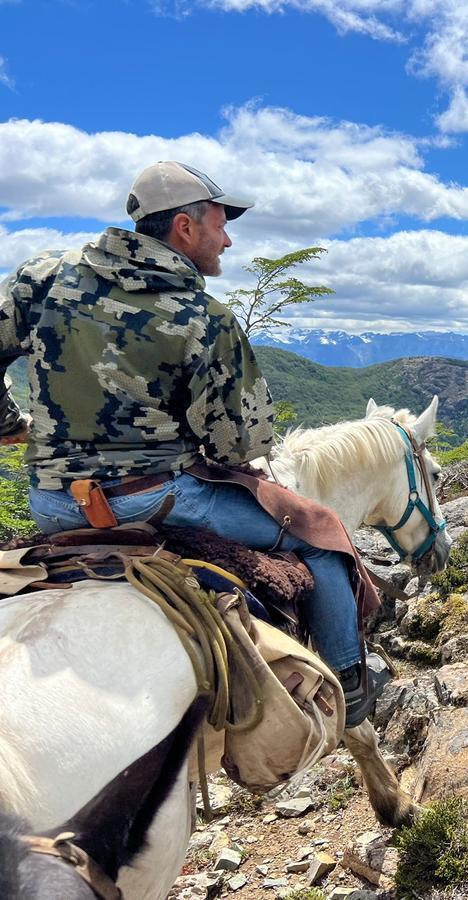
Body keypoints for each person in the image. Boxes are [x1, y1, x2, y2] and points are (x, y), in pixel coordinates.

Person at [0, 162, 382, 725]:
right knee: (323, 537)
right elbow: (237, 446)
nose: (227, 238)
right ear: (184, 226)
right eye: (221, 224)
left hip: (54, 502)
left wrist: (10, 423)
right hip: (157, 499)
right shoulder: (205, 319)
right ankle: (348, 686)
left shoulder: (42, 279)